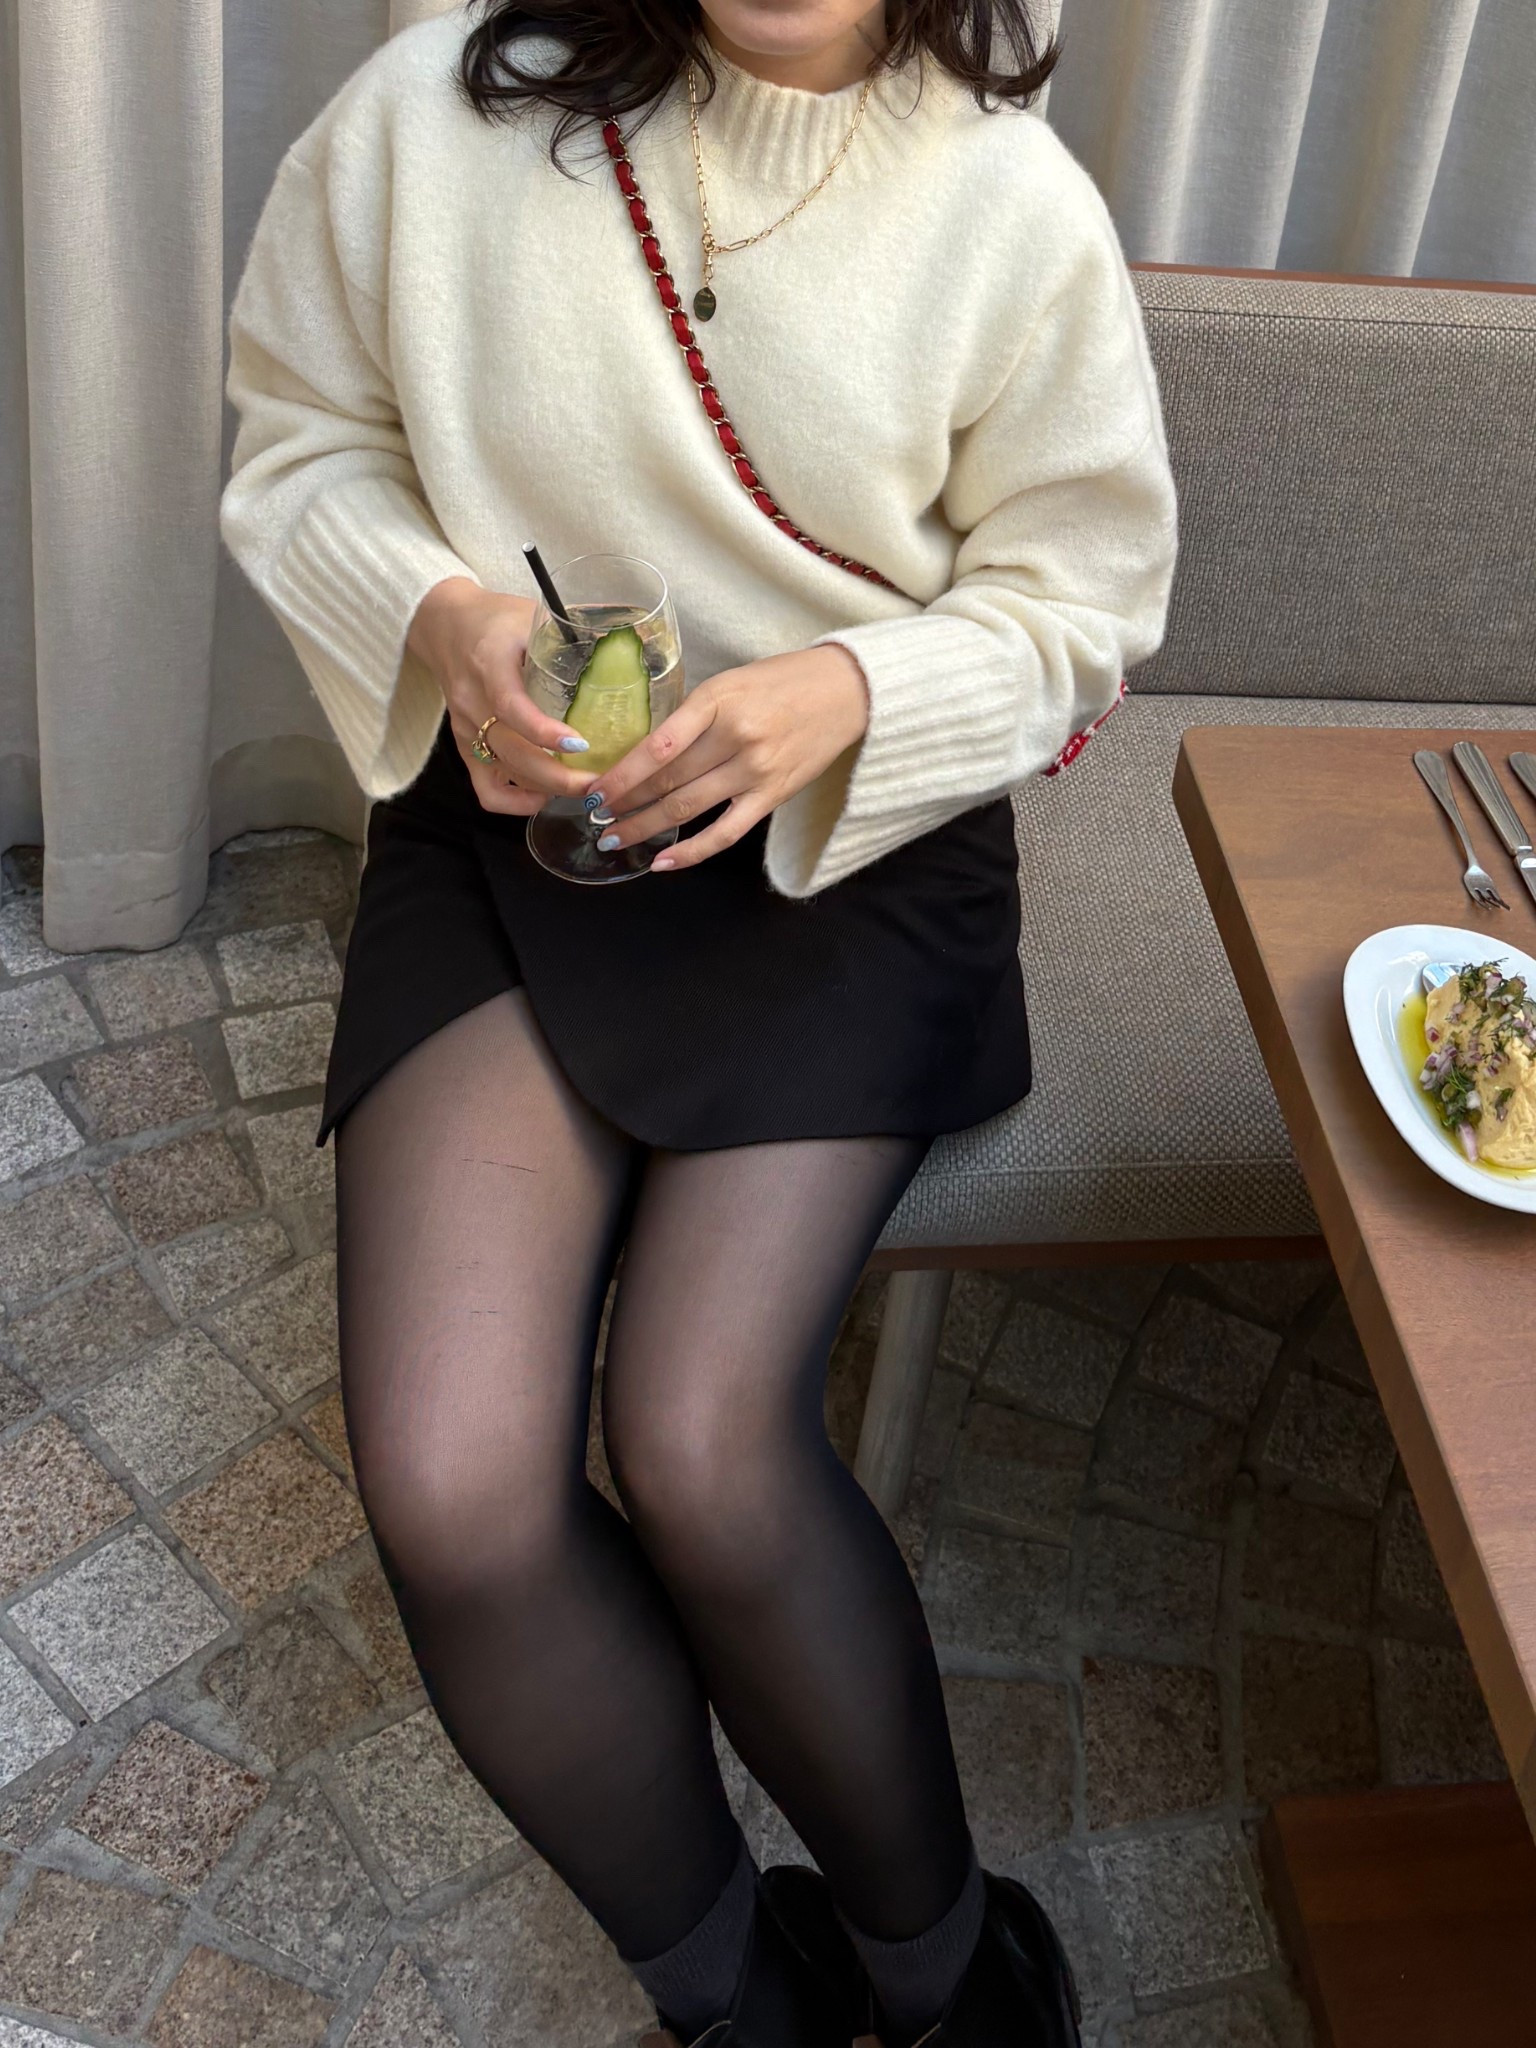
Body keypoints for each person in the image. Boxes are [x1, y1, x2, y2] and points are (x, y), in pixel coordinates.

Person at [219, 0, 1177, 2035]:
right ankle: (737, 1995)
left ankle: (948, 1975)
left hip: (851, 841)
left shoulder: (1014, 211)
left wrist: (851, 692)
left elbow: (1085, 603)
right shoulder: (431, 119)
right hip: (530, 820)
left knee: (701, 1441)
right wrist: (438, 614)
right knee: (456, 1486)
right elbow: (304, 440)